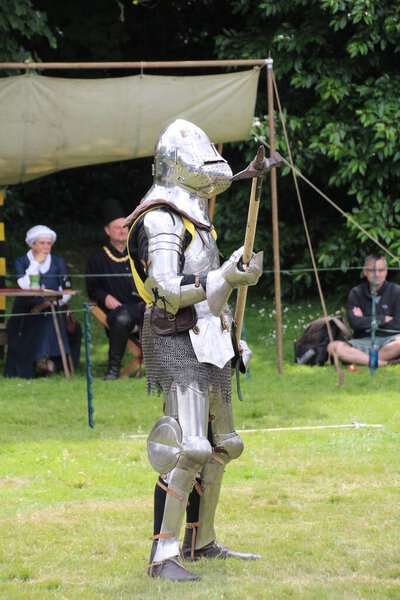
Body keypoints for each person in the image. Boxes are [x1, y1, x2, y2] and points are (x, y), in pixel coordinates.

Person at [126, 119, 265, 582]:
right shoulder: (161, 217)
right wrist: (224, 277)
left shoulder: (194, 219)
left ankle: (200, 541)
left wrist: (232, 287)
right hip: (175, 337)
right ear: (177, 166)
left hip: (210, 339)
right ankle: (163, 556)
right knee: (188, 448)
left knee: (225, 445)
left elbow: (210, 294)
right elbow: (166, 290)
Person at [4, 225, 82, 378]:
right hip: (26, 309)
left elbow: (66, 290)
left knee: (49, 318)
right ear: (32, 244)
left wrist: (51, 303)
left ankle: (44, 359)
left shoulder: (58, 262)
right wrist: (36, 264)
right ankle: (43, 359)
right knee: (42, 319)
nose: (46, 247)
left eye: (49, 243)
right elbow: (24, 286)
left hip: (53, 307)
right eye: (42, 243)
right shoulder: (22, 261)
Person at [85, 199, 145, 380]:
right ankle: (113, 370)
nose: (122, 229)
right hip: (118, 311)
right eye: (117, 227)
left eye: (125, 226)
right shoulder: (97, 259)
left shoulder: (139, 253)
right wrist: (105, 297)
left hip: (143, 308)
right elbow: (93, 288)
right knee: (122, 319)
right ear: (107, 231)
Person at [327, 254, 400, 367]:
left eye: (381, 270)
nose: (377, 274)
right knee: (333, 347)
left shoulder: (397, 291)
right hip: (363, 341)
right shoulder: (356, 293)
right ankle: (382, 362)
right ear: (365, 272)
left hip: (391, 341)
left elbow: (397, 324)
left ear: (386, 272)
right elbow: (354, 323)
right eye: (372, 271)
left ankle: (361, 359)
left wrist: (365, 320)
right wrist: (383, 319)